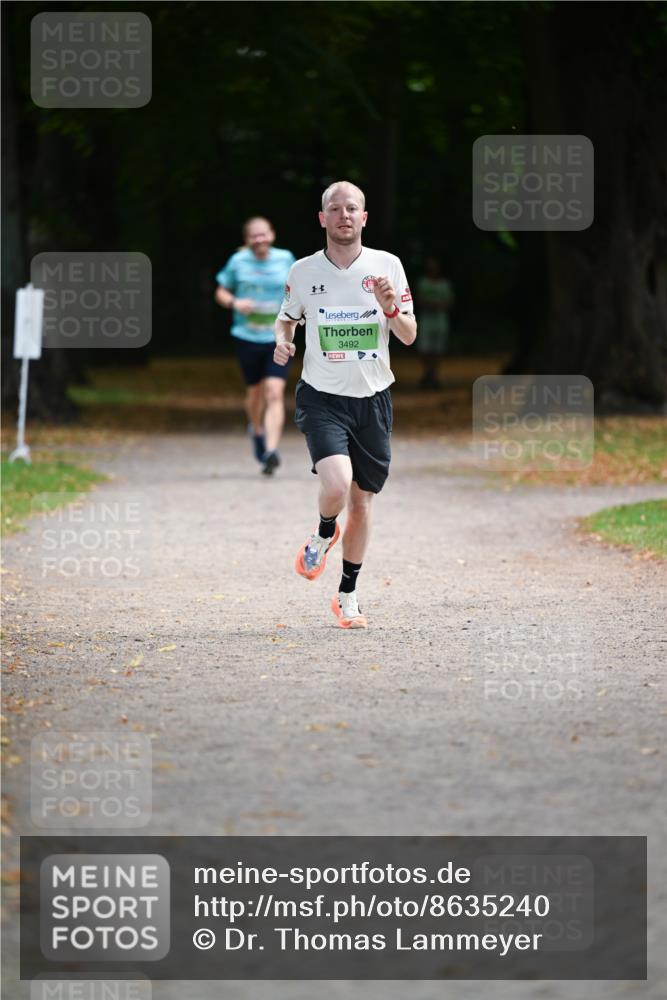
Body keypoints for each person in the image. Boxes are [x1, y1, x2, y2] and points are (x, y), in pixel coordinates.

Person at [273, 181, 417, 628]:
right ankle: (322, 533)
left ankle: (347, 595)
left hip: (372, 400)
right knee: (336, 485)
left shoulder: (387, 265)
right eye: (335, 209)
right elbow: (286, 319)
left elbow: (409, 335)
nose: (344, 215)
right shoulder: (303, 271)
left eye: (352, 208)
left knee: (362, 502)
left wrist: (390, 309)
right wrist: (283, 341)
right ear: (323, 218)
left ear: (364, 217)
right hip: (322, 397)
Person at [215, 218, 295, 475]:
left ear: (272, 235)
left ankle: (270, 451)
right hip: (246, 337)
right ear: (247, 239)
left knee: (274, 392)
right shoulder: (238, 261)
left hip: (278, 337)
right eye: (254, 235)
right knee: (255, 392)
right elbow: (221, 292)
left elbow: (299, 288)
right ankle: (257, 430)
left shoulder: (285, 259)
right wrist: (235, 303)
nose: (259, 239)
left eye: (263, 234)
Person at [415, 256, 454, 390]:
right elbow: (419, 300)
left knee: (438, 349)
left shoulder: (444, 284)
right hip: (426, 320)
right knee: (425, 349)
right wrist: (434, 304)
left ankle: (434, 375)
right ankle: (427, 372)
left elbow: (449, 302)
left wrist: (434, 304)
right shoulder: (423, 283)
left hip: (440, 320)